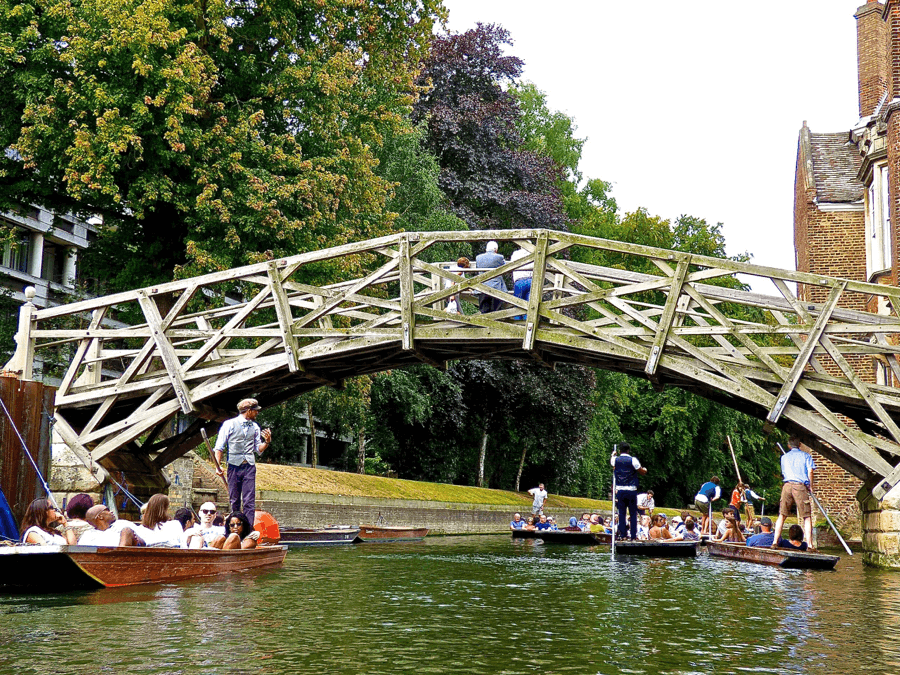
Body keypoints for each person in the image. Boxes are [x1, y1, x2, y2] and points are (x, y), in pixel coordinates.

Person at [214, 397, 272, 521]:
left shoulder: (255, 427)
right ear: (248, 411)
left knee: (249, 501)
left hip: (249, 467)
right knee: (234, 499)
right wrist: (217, 466)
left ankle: (248, 530)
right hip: (234, 466)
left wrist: (266, 442)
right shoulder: (229, 424)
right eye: (255, 410)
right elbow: (219, 447)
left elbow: (258, 449)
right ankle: (235, 526)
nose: (257, 413)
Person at [771, 436, 816, 549]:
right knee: (806, 516)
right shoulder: (806, 456)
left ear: (789, 445)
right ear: (800, 444)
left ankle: (775, 542)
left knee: (782, 515)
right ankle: (810, 545)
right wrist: (810, 486)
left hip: (787, 485)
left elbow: (784, 472)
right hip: (800, 486)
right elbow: (810, 471)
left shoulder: (784, 457)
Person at [612, 442, 647, 540]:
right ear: (628, 450)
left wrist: (613, 455)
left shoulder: (615, 460)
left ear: (619, 451)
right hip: (631, 490)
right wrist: (645, 469)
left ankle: (623, 535)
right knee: (633, 513)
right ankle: (633, 536)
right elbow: (642, 472)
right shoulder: (633, 460)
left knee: (622, 513)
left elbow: (614, 466)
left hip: (620, 490)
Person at [78, 504, 144, 547]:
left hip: (124, 559)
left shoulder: (123, 524)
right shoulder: (87, 535)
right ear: (100, 517)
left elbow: (146, 539)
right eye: (107, 510)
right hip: (99, 562)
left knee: (126, 531)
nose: (111, 512)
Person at [474, 241, 507, 313]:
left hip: (482, 287)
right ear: (496, 249)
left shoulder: (478, 258)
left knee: (484, 311)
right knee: (496, 312)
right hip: (496, 288)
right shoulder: (499, 257)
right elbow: (506, 268)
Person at [510, 246, 533, 320]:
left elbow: (510, 265)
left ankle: (518, 324)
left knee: (518, 305)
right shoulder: (533, 253)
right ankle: (528, 325)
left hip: (519, 281)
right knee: (530, 306)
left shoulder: (516, 254)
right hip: (531, 280)